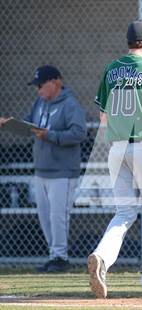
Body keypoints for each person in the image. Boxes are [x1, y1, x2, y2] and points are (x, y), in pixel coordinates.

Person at [87, 19, 142, 298]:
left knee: (124, 212)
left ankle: (102, 256)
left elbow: (103, 117)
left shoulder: (111, 69)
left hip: (116, 147)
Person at [0, 65, 87, 272]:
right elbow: (29, 123)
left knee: (58, 216)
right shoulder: (40, 102)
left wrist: (50, 135)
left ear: (55, 82)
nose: (38, 90)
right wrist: (10, 123)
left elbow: (79, 133)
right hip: (41, 170)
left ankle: (60, 257)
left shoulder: (70, 104)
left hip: (63, 172)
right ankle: (54, 255)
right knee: (45, 217)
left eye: (41, 85)